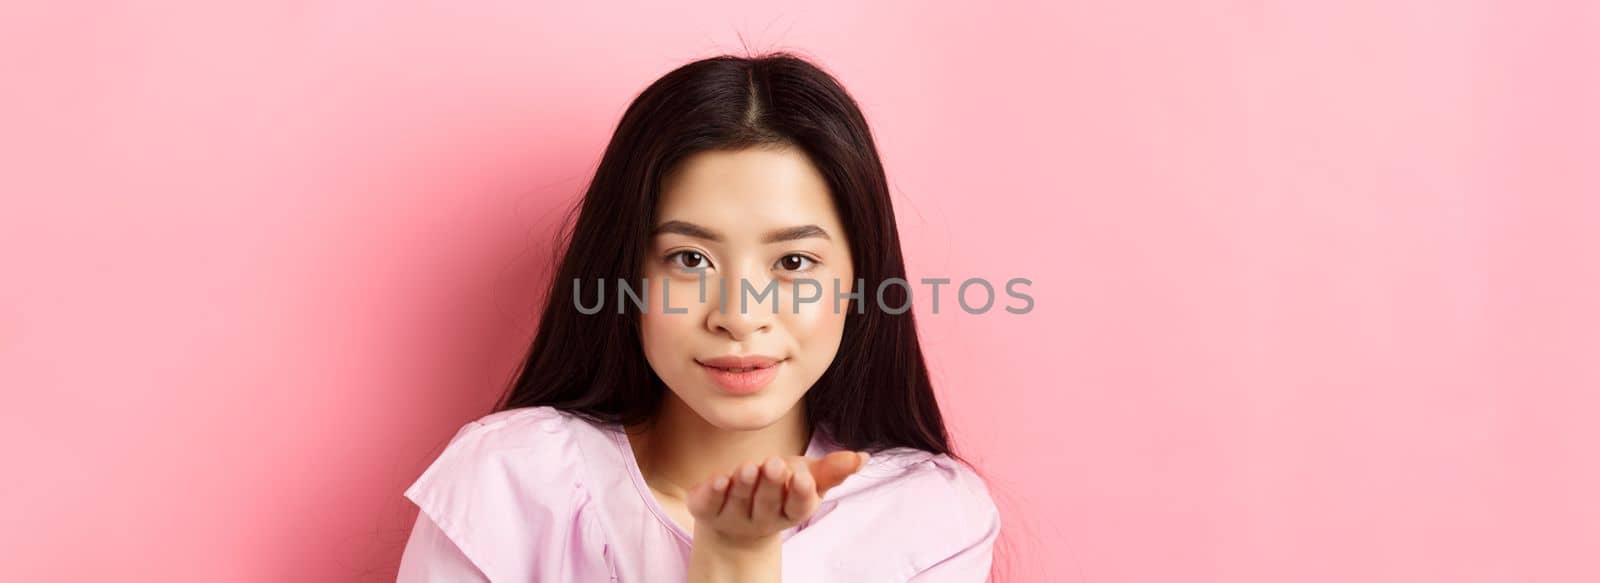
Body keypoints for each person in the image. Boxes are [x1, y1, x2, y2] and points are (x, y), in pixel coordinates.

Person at [396, 51, 1000, 582]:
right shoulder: (512, 483)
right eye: (690, 258)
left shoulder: (928, 521)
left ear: (859, 282)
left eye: (793, 261)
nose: (740, 316)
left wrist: (740, 558)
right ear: (625, 275)